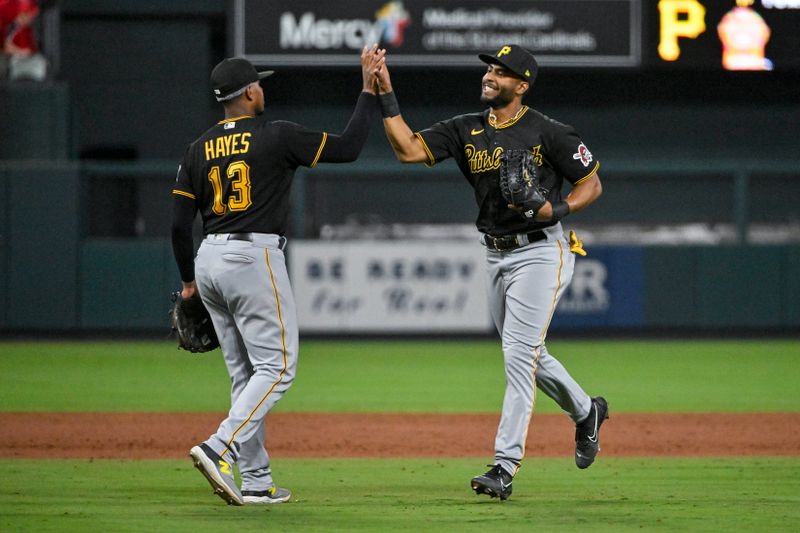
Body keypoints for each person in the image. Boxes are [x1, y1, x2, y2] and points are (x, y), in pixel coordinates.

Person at [373, 44, 608, 501]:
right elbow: (406, 150)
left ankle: (504, 466)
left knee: (518, 356)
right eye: (489, 69)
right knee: (528, 353)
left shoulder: (550, 132)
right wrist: (386, 93)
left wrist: (555, 209)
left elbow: (592, 182)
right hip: (495, 253)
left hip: (542, 250)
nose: (490, 76)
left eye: (502, 72)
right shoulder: (465, 129)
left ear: (522, 86)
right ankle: (586, 411)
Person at [171, 46, 383, 506]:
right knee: (279, 367)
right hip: (252, 256)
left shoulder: (197, 147)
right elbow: (347, 147)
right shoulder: (277, 134)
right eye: (259, 83)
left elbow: (177, 223)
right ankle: (218, 446)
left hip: (208, 258)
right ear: (248, 93)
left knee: (244, 373)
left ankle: (257, 481)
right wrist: (368, 91)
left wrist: (188, 282)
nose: (262, 88)